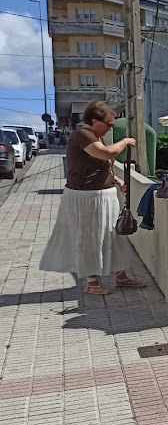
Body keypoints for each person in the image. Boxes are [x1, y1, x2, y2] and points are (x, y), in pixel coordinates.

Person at [40, 100, 146, 295]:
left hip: (101, 195)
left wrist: (116, 181)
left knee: (113, 236)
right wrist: (124, 142)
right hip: (85, 198)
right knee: (90, 238)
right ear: (95, 120)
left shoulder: (96, 137)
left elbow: (99, 166)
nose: (110, 128)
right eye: (109, 124)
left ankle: (120, 276)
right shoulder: (82, 135)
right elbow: (105, 155)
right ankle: (92, 282)